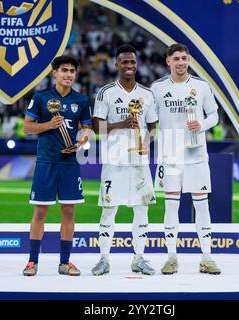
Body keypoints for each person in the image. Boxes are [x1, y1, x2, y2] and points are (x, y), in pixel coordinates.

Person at [151, 43, 221, 275]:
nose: (181, 62)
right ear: (168, 62)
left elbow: (214, 116)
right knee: (171, 205)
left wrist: (201, 124)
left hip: (196, 153)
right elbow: (150, 120)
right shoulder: (157, 88)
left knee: (201, 205)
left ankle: (207, 257)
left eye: (185, 58)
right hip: (169, 155)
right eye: (177, 59)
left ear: (188, 60)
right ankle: (171, 257)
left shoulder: (201, 87)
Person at [91, 44, 158, 276]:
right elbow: (96, 125)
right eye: (124, 62)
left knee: (142, 210)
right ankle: (104, 259)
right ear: (116, 64)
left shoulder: (147, 94)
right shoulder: (106, 92)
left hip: (138, 162)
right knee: (109, 209)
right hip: (114, 161)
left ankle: (139, 258)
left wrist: (147, 141)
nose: (129, 66)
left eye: (132, 62)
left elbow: (152, 125)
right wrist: (120, 124)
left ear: (136, 65)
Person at [22, 56, 91, 276]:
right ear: (54, 73)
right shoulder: (41, 97)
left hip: (70, 163)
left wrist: (83, 140)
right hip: (47, 162)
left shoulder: (81, 100)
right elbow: (27, 128)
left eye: (72, 71)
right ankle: (32, 261)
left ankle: (65, 262)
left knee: (69, 211)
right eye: (64, 70)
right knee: (40, 211)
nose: (69, 74)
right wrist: (48, 125)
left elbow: (87, 129)